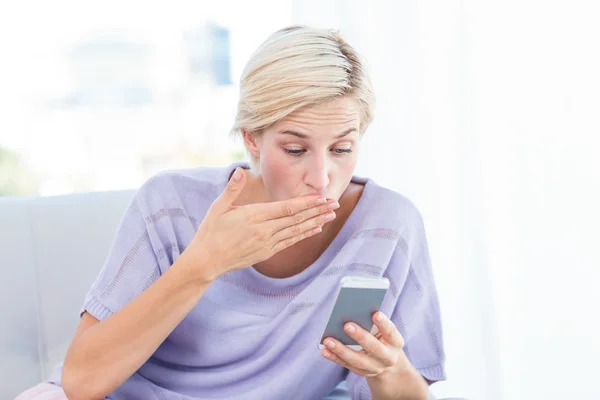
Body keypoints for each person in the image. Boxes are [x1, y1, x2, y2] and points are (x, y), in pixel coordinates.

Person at [16, 26, 445, 400]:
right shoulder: (170, 205)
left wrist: (387, 369)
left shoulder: (388, 226)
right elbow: (81, 382)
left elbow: (408, 395)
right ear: (253, 139)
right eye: (295, 149)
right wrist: (204, 263)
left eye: (342, 149)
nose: (321, 176)